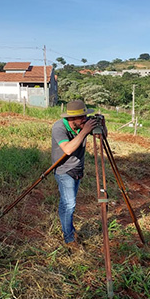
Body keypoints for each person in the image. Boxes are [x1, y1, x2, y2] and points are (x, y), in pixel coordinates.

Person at [51, 100, 98, 250]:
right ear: (71, 119)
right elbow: (68, 149)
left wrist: (101, 127)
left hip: (77, 169)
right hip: (63, 170)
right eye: (81, 117)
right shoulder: (59, 127)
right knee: (69, 204)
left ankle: (68, 229)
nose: (85, 119)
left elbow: (101, 137)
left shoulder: (82, 125)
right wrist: (85, 131)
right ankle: (69, 238)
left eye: (85, 116)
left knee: (67, 203)